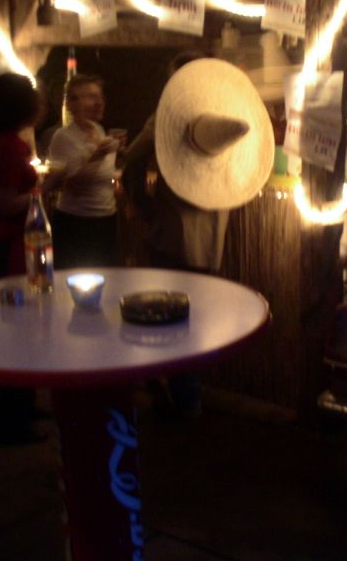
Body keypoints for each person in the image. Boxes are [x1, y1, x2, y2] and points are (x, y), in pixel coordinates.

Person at [122, 51, 228, 418]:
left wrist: (142, 202)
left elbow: (132, 158)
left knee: (171, 318)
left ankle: (177, 396)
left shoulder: (167, 117)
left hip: (172, 234)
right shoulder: (226, 116)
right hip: (211, 239)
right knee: (194, 318)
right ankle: (187, 397)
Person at [0, 72, 56, 445]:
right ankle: (10, 424)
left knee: (21, 329)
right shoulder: (9, 147)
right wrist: (45, 190)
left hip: (6, 245)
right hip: (10, 248)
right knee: (19, 332)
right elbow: (4, 203)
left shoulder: (1, 141)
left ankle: (23, 407)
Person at [48, 74, 123, 268]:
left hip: (107, 218)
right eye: (91, 97)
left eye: (100, 97)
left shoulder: (99, 130)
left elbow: (103, 174)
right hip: (76, 223)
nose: (99, 102)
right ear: (71, 104)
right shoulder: (63, 137)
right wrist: (98, 155)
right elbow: (71, 185)